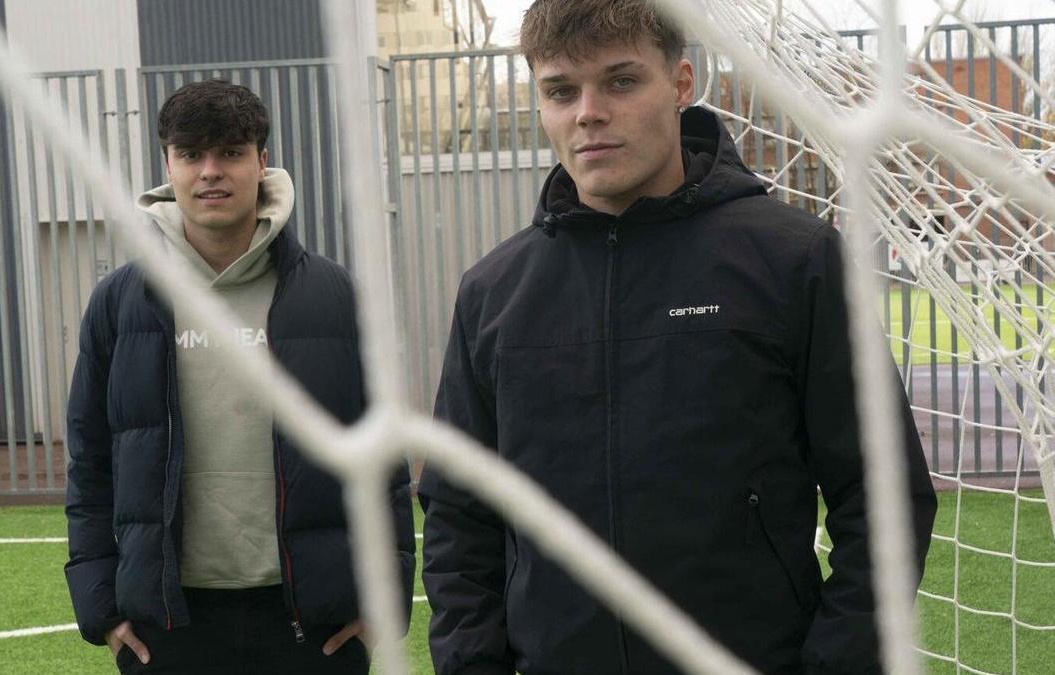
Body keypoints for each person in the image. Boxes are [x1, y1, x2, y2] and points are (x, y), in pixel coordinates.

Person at [418, 1, 937, 673]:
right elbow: (458, 516)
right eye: (561, 91)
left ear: (681, 83)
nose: (588, 113)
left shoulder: (794, 260)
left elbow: (884, 494)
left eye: (621, 81)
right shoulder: (493, 293)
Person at [64, 79, 415, 675]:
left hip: (311, 622)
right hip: (168, 624)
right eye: (190, 154)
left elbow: (384, 456)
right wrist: (102, 606)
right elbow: (90, 461)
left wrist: (386, 596)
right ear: (168, 165)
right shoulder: (119, 302)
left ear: (261, 162)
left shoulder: (334, 295)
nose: (210, 172)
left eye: (230, 152)